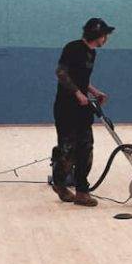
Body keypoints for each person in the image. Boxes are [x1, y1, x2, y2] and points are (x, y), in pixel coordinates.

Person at [51, 17, 113, 207]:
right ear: (97, 35)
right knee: (67, 150)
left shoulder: (92, 53)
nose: (106, 39)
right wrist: (78, 94)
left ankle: (82, 192)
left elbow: (82, 80)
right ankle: (60, 184)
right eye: (105, 35)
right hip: (66, 108)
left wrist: (95, 92)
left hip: (83, 109)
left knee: (85, 149)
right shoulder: (72, 48)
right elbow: (61, 73)